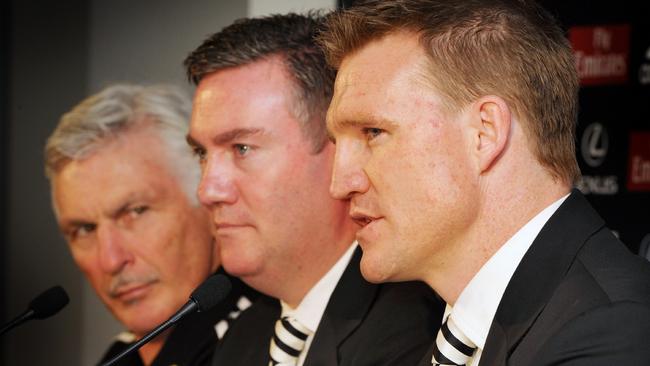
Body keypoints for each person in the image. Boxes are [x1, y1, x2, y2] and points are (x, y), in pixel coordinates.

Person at [319, 0, 650, 365]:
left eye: (373, 132)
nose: (340, 183)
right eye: (336, 144)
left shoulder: (610, 332)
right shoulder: (471, 332)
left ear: (485, 133)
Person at [184, 12, 443, 366]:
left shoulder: (417, 329)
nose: (207, 190)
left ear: (338, 149)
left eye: (241, 148)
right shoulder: (243, 339)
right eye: (201, 153)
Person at [45, 84, 256, 366]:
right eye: (84, 229)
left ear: (207, 204)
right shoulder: (121, 357)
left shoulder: (269, 345)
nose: (110, 260)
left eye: (135, 212)